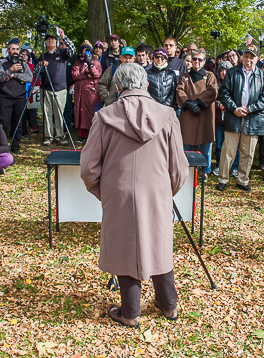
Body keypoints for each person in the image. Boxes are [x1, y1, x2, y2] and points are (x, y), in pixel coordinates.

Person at [80, 63, 188, 328]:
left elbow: (88, 168)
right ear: (146, 85)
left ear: (117, 87)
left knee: (125, 246)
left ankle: (130, 313)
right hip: (157, 191)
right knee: (158, 243)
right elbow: (179, 168)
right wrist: (164, 191)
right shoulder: (168, 115)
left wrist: (105, 192)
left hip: (120, 192)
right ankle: (169, 306)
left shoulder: (105, 116)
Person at [216, 45, 264, 192]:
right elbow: (224, 93)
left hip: (253, 119)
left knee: (248, 152)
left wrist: (250, 109)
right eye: (246, 56)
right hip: (233, 117)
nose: (248, 60)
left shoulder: (263, 76)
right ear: (242, 57)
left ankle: (242, 180)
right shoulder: (232, 73)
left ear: (257, 59)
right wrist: (234, 108)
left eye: (252, 57)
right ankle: (223, 179)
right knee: (228, 150)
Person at [175, 51, 218, 177]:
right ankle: (189, 170)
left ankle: (205, 170)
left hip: (205, 114)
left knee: (206, 144)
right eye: (195, 59)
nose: (197, 62)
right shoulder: (184, 77)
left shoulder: (210, 76)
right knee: (187, 144)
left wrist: (198, 103)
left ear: (204, 62)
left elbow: (212, 91)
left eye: (200, 60)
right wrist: (189, 103)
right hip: (189, 114)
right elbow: (179, 91)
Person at [0, 39, 33, 154]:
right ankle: (3, 146)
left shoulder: (24, 64)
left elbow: (29, 77)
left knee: (18, 123)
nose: (16, 51)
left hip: (20, 97)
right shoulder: (2, 62)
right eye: (13, 49)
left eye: (17, 49)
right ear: (8, 50)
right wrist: (10, 70)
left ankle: (15, 146)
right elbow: (0, 77)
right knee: (4, 123)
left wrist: (14, 75)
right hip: (5, 97)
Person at [39, 29, 76, 146]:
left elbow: (72, 49)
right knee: (47, 114)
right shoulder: (42, 56)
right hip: (46, 89)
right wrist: (40, 66)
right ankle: (48, 137)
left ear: (56, 42)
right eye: (48, 40)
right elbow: (35, 72)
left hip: (60, 89)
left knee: (59, 114)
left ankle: (60, 136)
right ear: (45, 43)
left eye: (52, 39)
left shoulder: (62, 53)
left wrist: (63, 36)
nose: (50, 41)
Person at [71, 41, 102, 145]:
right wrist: (86, 75)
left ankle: (91, 134)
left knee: (91, 111)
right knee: (80, 111)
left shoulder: (96, 62)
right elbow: (75, 75)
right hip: (80, 92)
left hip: (91, 92)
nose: (85, 52)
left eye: (87, 50)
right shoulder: (77, 63)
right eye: (84, 50)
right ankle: (81, 134)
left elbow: (97, 74)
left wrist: (91, 64)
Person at [213, 60, 239, 177]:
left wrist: (230, 106)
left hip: (232, 118)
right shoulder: (215, 83)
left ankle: (234, 167)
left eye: (226, 70)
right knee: (219, 145)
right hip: (219, 119)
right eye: (221, 70)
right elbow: (210, 99)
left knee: (234, 145)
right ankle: (219, 165)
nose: (224, 72)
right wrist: (219, 105)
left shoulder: (235, 82)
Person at [19, 48, 40, 138]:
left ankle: (34, 125)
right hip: (21, 91)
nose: (24, 56)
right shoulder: (18, 66)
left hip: (31, 89)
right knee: (22, 111)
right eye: (22, 54)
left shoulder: (32, 66)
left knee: (32, 109)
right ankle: (24, 130)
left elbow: (36, 77)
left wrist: (36, 87)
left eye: (26, 55)